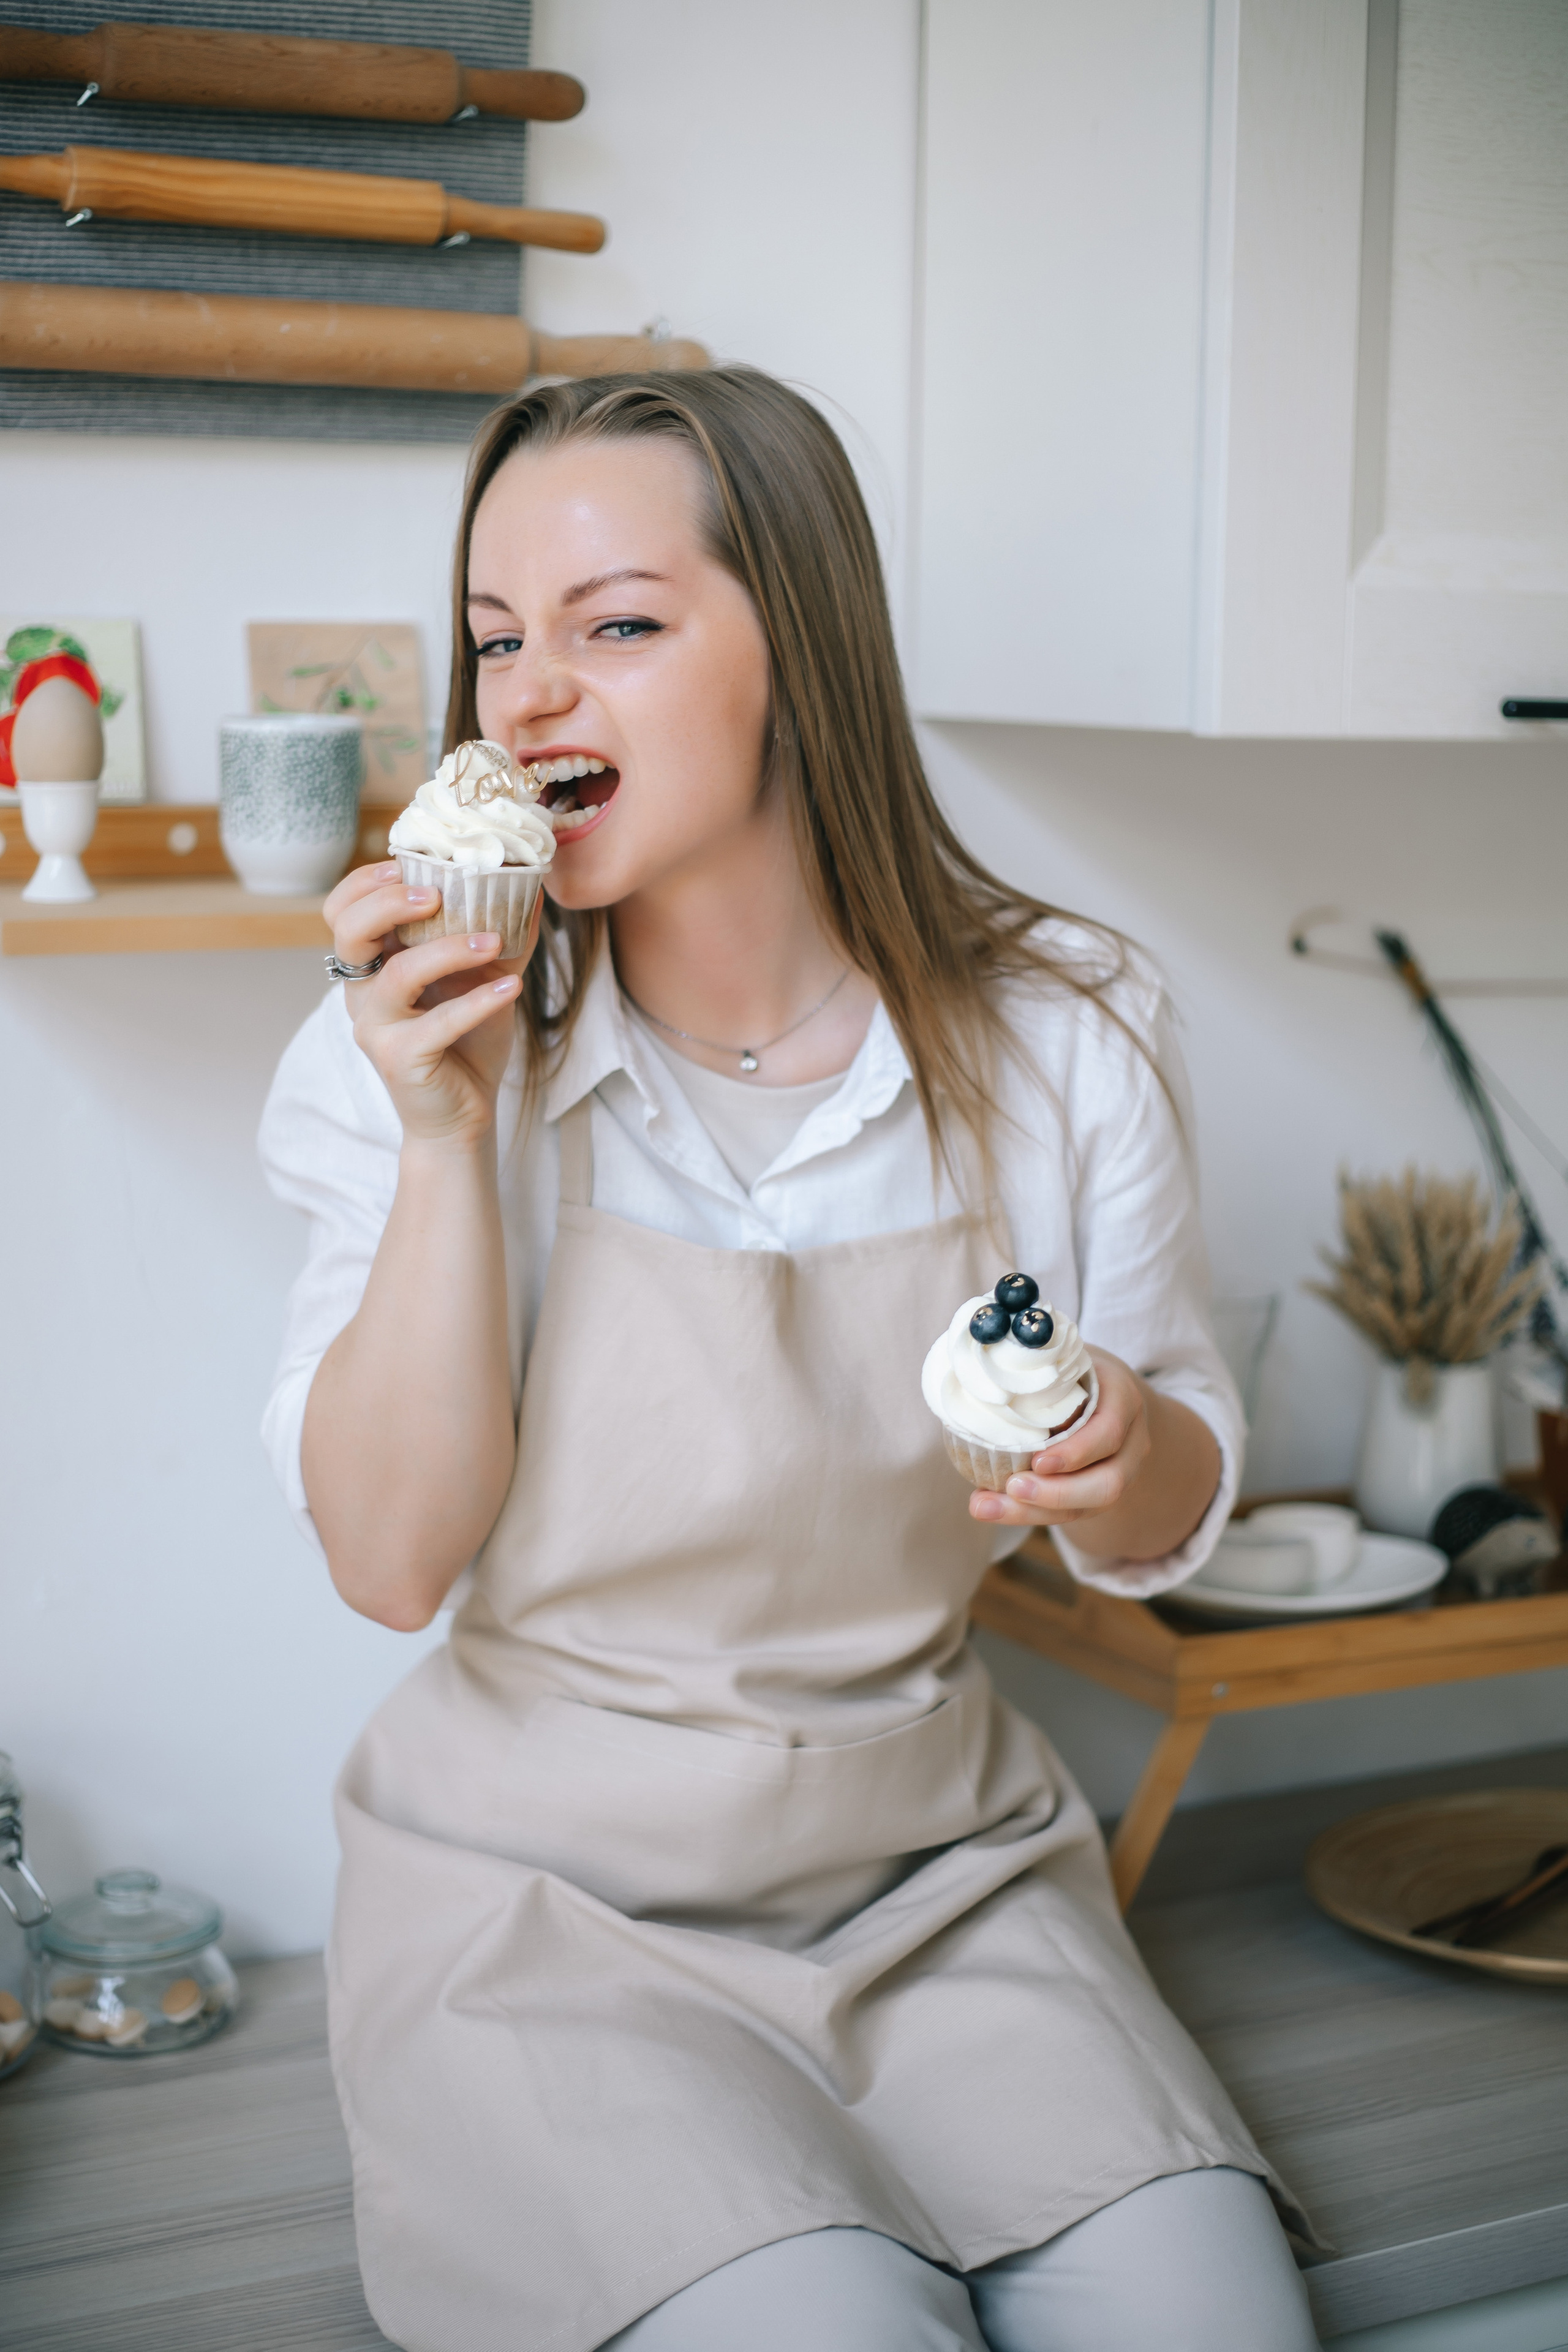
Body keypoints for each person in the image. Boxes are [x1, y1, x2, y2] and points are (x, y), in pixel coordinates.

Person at [260, 368, 1321, 2352]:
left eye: (619, 626)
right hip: (549, 1916)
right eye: (498, 641)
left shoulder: (1068, 1034)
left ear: (802, 651)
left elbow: (1161, 1516)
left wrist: (1113, 1438)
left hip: (948, 1886)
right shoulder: (409, 1051)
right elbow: (390, 1563)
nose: (528, 699)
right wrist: (442, 1139)